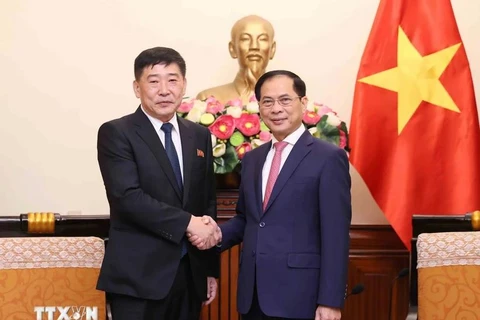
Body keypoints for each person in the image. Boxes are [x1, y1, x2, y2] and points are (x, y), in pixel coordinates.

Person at [190, 70, 352, 320]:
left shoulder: (328, 158)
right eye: (268, 101)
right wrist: (216, 234)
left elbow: (336, 234)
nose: (276, 108)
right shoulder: (253, 159)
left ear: (304, 103)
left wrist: (330, 301)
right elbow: (248, 219)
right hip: (252, 296)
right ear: (259, 108)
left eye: (285, 100)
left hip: (302, 297)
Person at [96, 46, 221, 320]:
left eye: (173, 80)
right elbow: (127, 198)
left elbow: (206, 200)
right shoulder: (117, 132)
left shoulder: (198, 135)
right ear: (137, 87)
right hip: (138, 279)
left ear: (184, 85)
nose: (164, 90)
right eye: (154, 81)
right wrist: (188, 222)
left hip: (189, 276)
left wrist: (209, 269)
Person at [196, 15, 277, 105]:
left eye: (262, 39)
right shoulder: (208, 99)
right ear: (232, 49)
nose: (254, 46)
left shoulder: (289, 100)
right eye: (245, 39)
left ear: (272, 49)